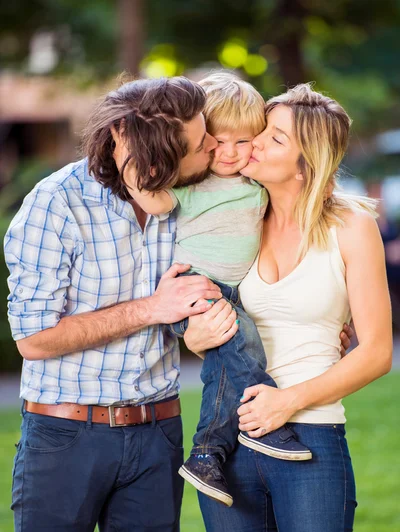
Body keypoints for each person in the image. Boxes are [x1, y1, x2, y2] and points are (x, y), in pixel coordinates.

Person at [4, 76, 226, 532]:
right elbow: (33, 338)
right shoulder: (56, 204)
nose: (214, 147)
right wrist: (153, 308)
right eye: (201, 144)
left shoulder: (195, 200)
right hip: (64, 436)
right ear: (154, 160)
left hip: (158, 432)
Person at [183, 83, 393, 532]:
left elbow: (377, 352)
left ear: (306, 162)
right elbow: (201, 314)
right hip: (226, 444)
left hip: (310, 440)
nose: (252, 145)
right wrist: (193, 336)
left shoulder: (351, 227)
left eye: (273, 139)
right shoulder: (237, 217)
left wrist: (288, 401)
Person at [116, 73, 312, 509]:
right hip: (195, 288)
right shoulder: (194, 186)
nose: (228, 152)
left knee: (226, 366)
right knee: (245, 348)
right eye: (217, 141)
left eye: (242, 142)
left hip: (230, 293)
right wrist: (128, 163)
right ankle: (243, 432)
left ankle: (207, 455)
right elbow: (155, 201)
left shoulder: (256, 185)